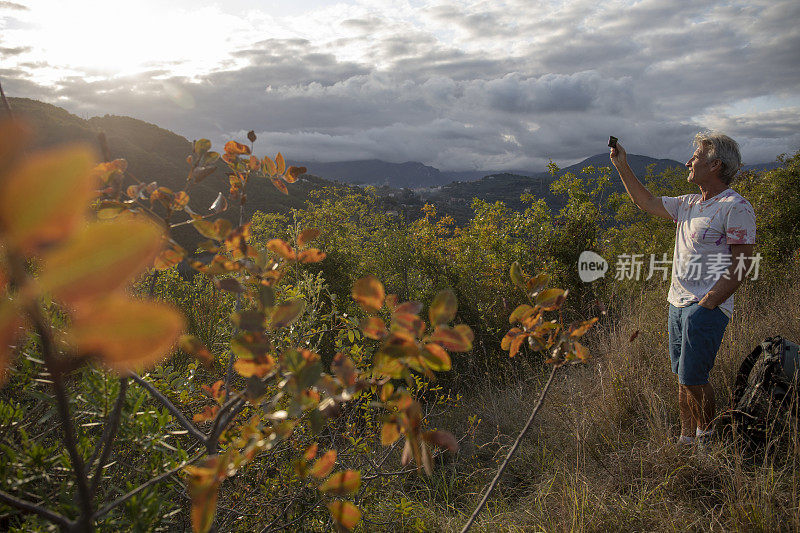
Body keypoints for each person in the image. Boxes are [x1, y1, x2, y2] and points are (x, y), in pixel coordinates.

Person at [610, 132, 756, 445]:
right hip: (676, 303)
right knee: (682, 379)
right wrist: (622, 165)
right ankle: (686, 439)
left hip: (705, 306)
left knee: (693, 378)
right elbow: (645, 201)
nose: (688, 162)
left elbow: (741, 265)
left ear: (715, 165)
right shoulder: (689, 204)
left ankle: (708, 441)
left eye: (696, 158)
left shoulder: (735, 207)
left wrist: (707, 305)